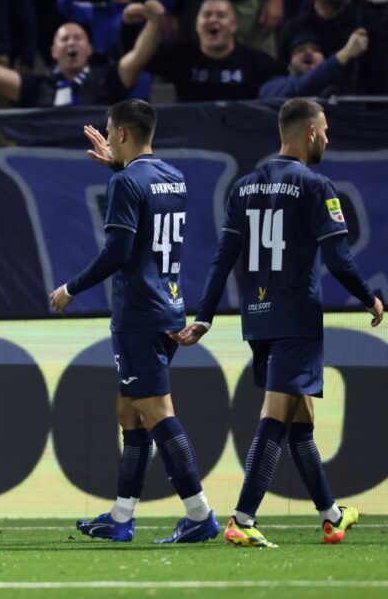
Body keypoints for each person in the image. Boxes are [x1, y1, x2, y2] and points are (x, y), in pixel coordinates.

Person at [172, 98, 384, 548]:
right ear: (309, 132)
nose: (327, 137)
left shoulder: (244, 187)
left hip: (258, 318)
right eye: (324, 129)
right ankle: (243, 518)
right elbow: (338, 256)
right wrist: (369, 297)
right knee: (276, 413)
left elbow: (223, 257)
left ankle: (331, 515)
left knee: (299, 416)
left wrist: (205, 316)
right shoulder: (316, 185)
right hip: (296, 316)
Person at [50, 99, 219, 544]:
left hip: (139, 313)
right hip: (168, 305)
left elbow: (119, 252)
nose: (106, 140)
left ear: (122, 134)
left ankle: (199, 514)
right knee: (129, 412)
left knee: (157, 413)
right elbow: (148, 222)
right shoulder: (173, 177)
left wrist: (70, 288)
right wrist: (117, 171)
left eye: (110, 132)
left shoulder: (128, 183)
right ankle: (121, 517)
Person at [0, 2, 164, 107]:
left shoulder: (109, 77)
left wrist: (155, 21)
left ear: (89, 49)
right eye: (64, 39)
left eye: (78, 38)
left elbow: (138, 56)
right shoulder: (37, 85)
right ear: (54, 52)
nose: (71, 42)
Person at [147, 0, 283, 102]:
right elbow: (138, 62)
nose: (213, 20)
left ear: (234, 25)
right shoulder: (181, 58)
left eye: (221, 15)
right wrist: (153, 22)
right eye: (207, 15)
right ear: (196, 24)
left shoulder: (257, 62)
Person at [259, 29, 367, 99]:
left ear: (324, 60)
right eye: (300, 50)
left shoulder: (339, 87)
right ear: (289, 65)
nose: (308, 52)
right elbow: (299, 87)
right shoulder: (273, 86)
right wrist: (345, 53)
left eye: (315, 50)